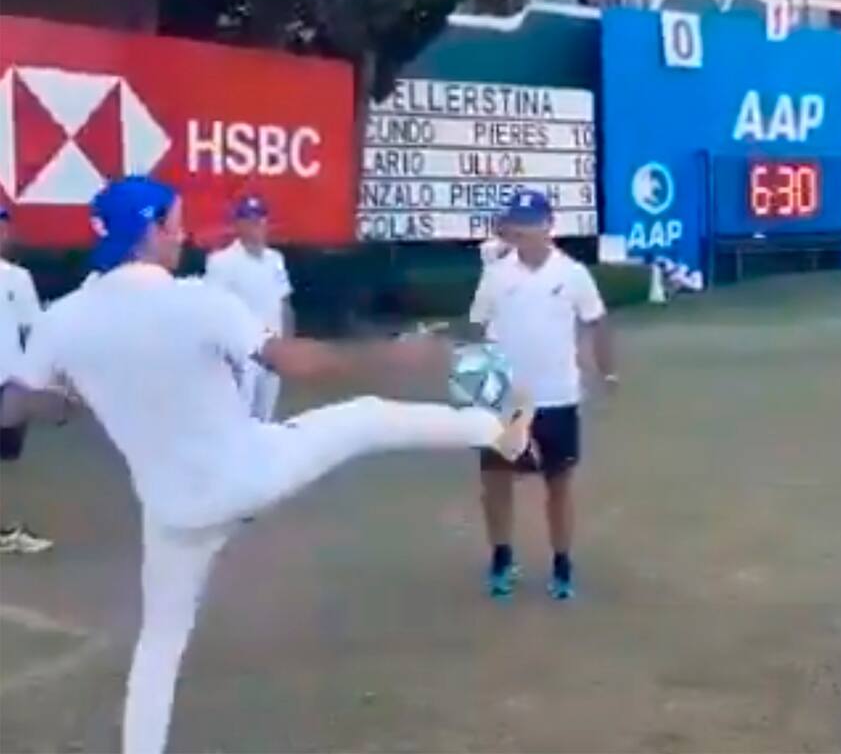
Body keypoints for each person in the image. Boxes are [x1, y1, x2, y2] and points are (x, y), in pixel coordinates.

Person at [0, 176, 533, 754]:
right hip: (248, 473)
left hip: (173, 509)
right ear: (149, 230)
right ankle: (495, 433)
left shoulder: (64, 319)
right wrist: (393, 355)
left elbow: (13, 405)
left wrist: (66, 403)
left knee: (159, 646)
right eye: (175, 223)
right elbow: (292, 361)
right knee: (367, 416)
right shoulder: (196, 300)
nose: (183, 235)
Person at [468, 189, 617, 601]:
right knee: (495, 480)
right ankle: (501, 558)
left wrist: (609, 373)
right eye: (516, 222)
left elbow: (596, 322)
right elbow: (478, 329)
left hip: (558, 396)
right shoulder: (496, 274)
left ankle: (562, 563)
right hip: (505, 399)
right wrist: (477, 388)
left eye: (530, 223)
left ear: (548, 225)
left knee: (559, 484)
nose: (522, 230)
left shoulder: (571, 273)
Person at [204, 195, 293, 420]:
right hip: (241, 353)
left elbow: (283, 302)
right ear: (238, 225)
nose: (257, 227)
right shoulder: (222, 262)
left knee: (265, 417)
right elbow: (213, 309)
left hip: (272, 350)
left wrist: (288, 345)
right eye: (250, 221)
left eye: (260, 220)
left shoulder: (275, 259)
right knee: (238, 418)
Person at [0, 204, 53, 554]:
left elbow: (33, 328)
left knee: (9, 460)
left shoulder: (17, 279)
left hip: (9, 381)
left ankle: (8, 529)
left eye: (3, 226)